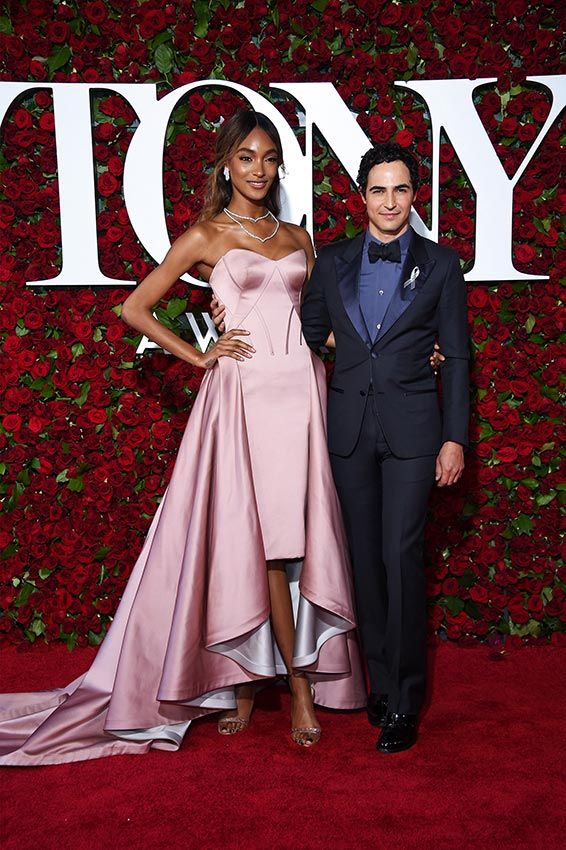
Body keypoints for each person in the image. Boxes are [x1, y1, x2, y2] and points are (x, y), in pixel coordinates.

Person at [0, 110, 367, 766]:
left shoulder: (299, 239)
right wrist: (200, 356)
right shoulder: (202, 236)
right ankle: (289, 689)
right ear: (226, 163)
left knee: (292, 547)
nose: (259, 168)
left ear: (279, 166)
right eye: (246, 157)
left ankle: (262, 685)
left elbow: (322, 329)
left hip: (301, 399)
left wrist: (392, 356)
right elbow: (134, 306)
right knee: (253, 545)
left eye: (269, 157)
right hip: (242, 401)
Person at [301, 142, 469, 753]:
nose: (390, 201)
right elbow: (305, 338)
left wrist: (454, 437)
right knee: (365, 565)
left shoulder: (442, 265)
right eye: (379, 190)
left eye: (400, 189)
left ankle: (405, 700)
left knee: (401, 558)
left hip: (414, 435)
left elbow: (456, 355)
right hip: (348, 432)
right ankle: (378, 681)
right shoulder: (334, 262)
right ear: (362, 196)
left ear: (414, 195)